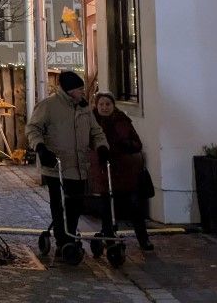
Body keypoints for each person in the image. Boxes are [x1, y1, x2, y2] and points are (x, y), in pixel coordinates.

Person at [26, 71, 109, 259]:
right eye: (80, 89)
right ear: (70, 90)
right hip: (56, 166)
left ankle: (69, 234)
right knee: (60, 204)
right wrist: (40, 148)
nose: (82, 92)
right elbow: (33, 128)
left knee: (75, 204)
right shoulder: (49, 106)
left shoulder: (84, 108)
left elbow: (96, 132)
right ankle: (63, 240)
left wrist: (102, 147)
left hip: (80, 166)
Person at [90, 92, 154, 251]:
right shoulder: (91, 122)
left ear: (113, 105)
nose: (104, 107)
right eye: (101, 104)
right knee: (106, 206)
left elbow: (137, 143)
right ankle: (109, 238)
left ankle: (143, 239)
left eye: (108, 104)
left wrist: (127, 145)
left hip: (125, 171)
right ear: (96, 106)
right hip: (104, 170)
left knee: (134, 205)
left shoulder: (122, 120)